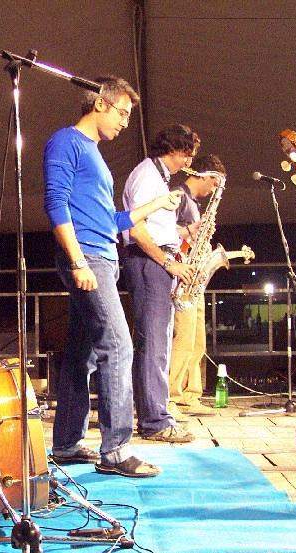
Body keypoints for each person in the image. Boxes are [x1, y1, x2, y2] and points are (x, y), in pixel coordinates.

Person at [44, 76, 183, 478]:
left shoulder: (94, 153)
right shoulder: (66, 141)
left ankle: (68, 443)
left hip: (103, 254)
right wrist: (77, 262)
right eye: (122, 112)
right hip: (88, 257)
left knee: (81, 352)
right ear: (100, 104)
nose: (125, 122)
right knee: (119, 346)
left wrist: (156, 203)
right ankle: (117, 449)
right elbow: (55, 202)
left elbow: (109, 220)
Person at [121, 125, 200, 442]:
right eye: (188, 155)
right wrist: (168, 261)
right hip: (149, 262)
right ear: (178, 151)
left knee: (159, 343)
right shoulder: (147, 176)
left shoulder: (157, 177)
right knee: (154, 344)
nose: (188, 163)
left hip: (158, 262)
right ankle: (155, 421)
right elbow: (136, 230)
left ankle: (155, 415)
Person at [168, 153, 226, 414]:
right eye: (214, 183)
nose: (214, 189)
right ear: (205, 176)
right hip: (182, 278)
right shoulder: (178, 196)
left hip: (195, 277)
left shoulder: (192, 203)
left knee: (197, 342)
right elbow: (164, 233)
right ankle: (170, 397)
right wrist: (193, 231)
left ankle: (190, 395)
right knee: (182, 342)